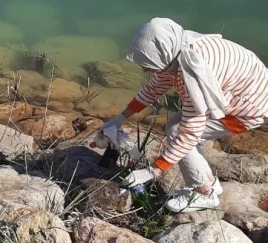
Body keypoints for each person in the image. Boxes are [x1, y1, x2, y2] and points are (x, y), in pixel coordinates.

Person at [102, 17, 268, 212]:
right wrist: (121, 118)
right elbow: (155, 87)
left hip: (249, 107)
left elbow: (188, 134)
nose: (144, 69)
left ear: (163, 57)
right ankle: (208, 183)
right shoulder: (178, 48)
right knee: (177, 127)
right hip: (246, 86)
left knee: (177, 130)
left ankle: (205, 194)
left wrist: (151, 171)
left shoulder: (194, 76)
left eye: (147, 65)